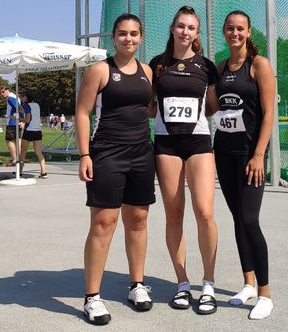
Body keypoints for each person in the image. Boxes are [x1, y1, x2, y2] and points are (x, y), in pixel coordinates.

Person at [76, 13, 155, 326]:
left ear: (140, 36)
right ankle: (92, 297)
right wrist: (85, 154)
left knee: (138, 218)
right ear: (113, 37)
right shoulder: (99, 70)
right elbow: (82, 113)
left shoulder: (147, 71)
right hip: (107, 153)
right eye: (123, 34)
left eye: (134, 34)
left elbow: (147, 108)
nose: (129, 39)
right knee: (104, 222)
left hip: (141, 154)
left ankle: (137, 285)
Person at [149, 5, 219, 315]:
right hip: (166, 146)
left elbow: (213, 106)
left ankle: (208, 283)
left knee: (204, 212)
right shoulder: (157, 65)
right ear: (173, 29)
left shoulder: (206, 66)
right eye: (181, 26)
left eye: (191, 27)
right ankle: (182, 283)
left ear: (196, 33)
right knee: (173, 214)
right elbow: (150, 106)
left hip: (199, 143)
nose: (185, 32)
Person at [212, 11, 275, 320]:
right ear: (224, 32)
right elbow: (213, 107)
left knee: (250, 220)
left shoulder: (259, 65)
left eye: (240, 29)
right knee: (237, 219)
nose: (234, 33)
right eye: (229, 28)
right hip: (224, 153)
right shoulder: (221, 67)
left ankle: (265, 292)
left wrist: (259, 154)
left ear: (249, 32)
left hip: (251, 157)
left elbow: (268, 113)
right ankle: (248, 282)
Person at [18, 91, 47, 178]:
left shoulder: (27, 106)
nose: (21, 99)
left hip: (29, 131)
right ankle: (43, 172)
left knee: (23, 152)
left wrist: (18, 118)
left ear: (26, 97)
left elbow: (27, 120)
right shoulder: (37, 105)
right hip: (37, 131)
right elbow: (32, 114)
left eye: (22, 97)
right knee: (39, 152)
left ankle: (19, 172)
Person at [0, 87, 23, 167]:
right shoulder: (15, 96)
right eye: (1, 92)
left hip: (12, 123)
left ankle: (15, 160)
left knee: (9, 140)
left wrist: (22, 120)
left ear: (7, 90)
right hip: (16, 122)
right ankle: (20, 160)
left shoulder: (10, 98)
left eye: (3, 92)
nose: (2, 94)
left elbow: (19, 108)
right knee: (18, 141)